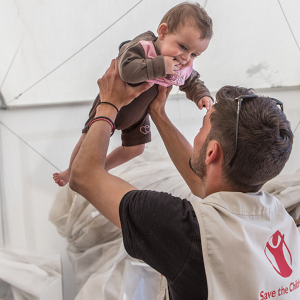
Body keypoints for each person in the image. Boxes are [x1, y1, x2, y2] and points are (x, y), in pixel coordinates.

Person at [69, 59, 300, 300]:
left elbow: (83, 175)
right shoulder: (280, 219)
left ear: (211, 152)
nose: (197, 136)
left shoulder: (181, 227)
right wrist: (157, 113)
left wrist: (108, 104)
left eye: (202, 128)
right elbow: (207, 184)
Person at [53, 2, 214, 186]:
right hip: (112, 104)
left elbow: (190, 79)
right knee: (89, 139)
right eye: (183, 47)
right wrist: (160, 65)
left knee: (136, 149)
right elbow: (127, 70)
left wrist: (201, 94)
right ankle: (70, 170)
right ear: (163, 32)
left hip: (138, 114)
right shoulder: (143, 46)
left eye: (195, 54)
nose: (186, 59)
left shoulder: (180, 63)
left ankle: (101, 168)